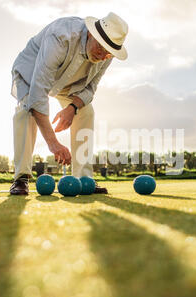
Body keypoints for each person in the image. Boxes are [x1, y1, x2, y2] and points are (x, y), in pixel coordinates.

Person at [9, 12, 128, 195]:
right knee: (26, 110)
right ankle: (21, 178)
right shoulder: (61, 36)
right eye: (101, 47)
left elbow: (90, 88)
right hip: (31, 73)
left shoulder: (107, 55)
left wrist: (72, 108)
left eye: (108, 52)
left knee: (86, 112)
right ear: (91, 34)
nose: (103, 55)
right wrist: (53, 143)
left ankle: (83, 178)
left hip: (70, 83)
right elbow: (38, 93)